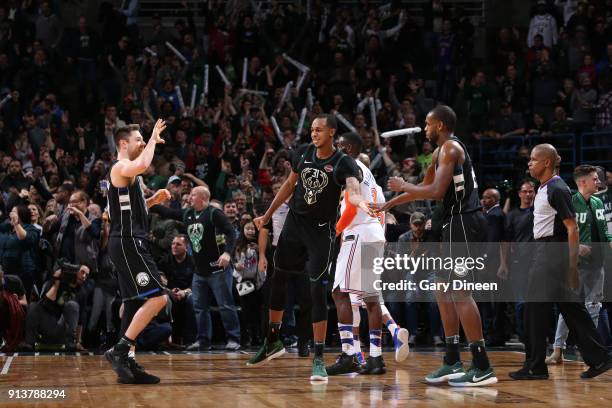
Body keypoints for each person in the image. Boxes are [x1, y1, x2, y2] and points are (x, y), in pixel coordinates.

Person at [373, 105, 498, 387]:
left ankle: (482, 365)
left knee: (459, 291)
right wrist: (388, 204)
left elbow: (436, 192)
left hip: (464, 222)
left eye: (427, 124)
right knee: (442, 287)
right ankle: (452, 359)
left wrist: (403, 184)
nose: (424, 129)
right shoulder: (438, 154)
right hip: (452, 223)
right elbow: (424, 185)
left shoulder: (451, 149)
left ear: (440, 125)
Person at [248, 114, 364, 382]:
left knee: (316, 291)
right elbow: (289, 185)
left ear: (332, 132)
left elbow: (352, 188)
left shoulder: (343, 162)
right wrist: (267, 216)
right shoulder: (303, 152)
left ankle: (319, 358)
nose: (314, 134)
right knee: (278, 279)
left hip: (321, 232)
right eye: (312, 129)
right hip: (294, 224)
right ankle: (272, 342)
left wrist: (357, 198)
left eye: (319, 130)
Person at [509, 144, 612, 380]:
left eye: (534, 159)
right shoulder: (546, 187)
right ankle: (600, 358)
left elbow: (572, 228)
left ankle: (535, 366)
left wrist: (572, 267)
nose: (529, 163)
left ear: (546, 163)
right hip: (548, 252)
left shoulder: (557, 188)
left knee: (534, 311)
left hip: (550, 254)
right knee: (573, 309)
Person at [326, 131, 405, 376]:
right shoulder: (371, 178)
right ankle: (375, 359)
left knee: (339, 292)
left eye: (338, 145)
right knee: (371, 298)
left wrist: (336, 231)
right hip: (374, 235)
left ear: (347, 148)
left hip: (357, 233)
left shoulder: (348, 167)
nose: (334, 148)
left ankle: (349, 354)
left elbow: (350, 205)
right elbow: (380, 212)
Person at [104, 121, 172, 385]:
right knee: (158, 298)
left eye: (144, 139)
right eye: (139, 139)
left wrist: (152, 201)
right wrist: (154, 138)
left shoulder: (126, 175)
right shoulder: (121, 167)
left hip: (125, 241)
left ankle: (127, 366)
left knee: (132, 304)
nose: (143, 143)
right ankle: (120, 350)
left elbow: (121, 210)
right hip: (129, 242)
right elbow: (143, 164)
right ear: (123, 144)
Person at [150, 186, 241, 351]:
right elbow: (167, 212)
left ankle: (234, 338)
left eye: (193, 195)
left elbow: (231, 233)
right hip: (199, 272)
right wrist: (148, 199)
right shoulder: (188, 214)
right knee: (199, 307)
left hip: (217, 270)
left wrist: (227, 253)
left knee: (225, 305)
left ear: (202, 198)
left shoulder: (214, 213)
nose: (189, 198)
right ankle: (203, 340)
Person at [546, 165, 612, 364]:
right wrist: (576, 246)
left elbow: (604, 230)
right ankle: (558, 349)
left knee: (594, 306)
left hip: (597, 262)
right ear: (583, 182)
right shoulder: (570, 201)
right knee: (570, 307)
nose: (599, 182)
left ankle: (588, 350)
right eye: (595, 179)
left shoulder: (598, 202)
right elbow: (560, 231)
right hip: (575, 263)